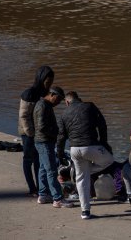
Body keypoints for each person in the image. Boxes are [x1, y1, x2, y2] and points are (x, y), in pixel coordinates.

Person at [57, 91, 114, 219]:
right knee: (109, 160)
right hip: (91, 146)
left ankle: (85, 212)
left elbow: (61, 137)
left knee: (81, 179)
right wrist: (104, 143)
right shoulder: (89, 106)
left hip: (74, 150)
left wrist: (60, 154)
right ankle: (84, 172)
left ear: (67, 102)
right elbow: (102, 125)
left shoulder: (63, 114)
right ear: (79, 99)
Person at [33, 86, 73, 208]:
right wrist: (55, 132)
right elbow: (41, 126)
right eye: (58, 99)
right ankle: (58, 199)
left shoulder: (44, 105)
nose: (59, 102)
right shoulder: (43, 106)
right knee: (51, 170)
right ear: (52, 95)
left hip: (41, 141)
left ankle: (43, 195)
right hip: (44, 142)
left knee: (43, 169)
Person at [18, 65, 54, 197]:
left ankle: (41, 188)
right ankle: (32, 188)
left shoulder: (44, 94)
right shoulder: (29, 93)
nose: (49, 83)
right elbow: (24, 116)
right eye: (47, 81)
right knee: (28, 159)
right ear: (41, 78)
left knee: (39, 160)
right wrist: (31, 134)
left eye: (51, 81)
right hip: (27, 133)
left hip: (38, 133)